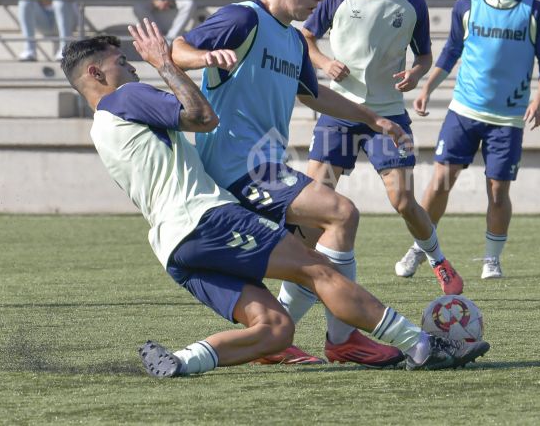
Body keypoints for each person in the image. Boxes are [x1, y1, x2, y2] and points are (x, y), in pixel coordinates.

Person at [59, 21, 490, 377]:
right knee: (317, 268)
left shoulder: (102, 128)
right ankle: (420, 345)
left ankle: (181, 361)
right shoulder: (124, 97)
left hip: (173, 250)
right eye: (121, 62)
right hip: (205, 221)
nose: (132, 67)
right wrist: (165, 63)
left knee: (275, 328)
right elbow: (202, 117)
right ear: (96, 73)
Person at [172, 0, 418, 368]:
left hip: (266, 165)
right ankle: (343, 339)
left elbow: (314, 94)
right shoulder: (243, 18)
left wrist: (374, 120)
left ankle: (276, 341)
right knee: (341, 213)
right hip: (239, 165)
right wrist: (204, 57)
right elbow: (177, 50)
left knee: (312, 246)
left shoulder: (291, 40)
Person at [301, 0, 463, 295]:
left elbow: (424, 55)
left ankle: (438, 261)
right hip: (339, 111)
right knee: (314, 199)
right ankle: (301, 270)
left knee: (403, 200)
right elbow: (305, 36)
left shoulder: (413, 2)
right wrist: (324, 62)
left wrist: (416, 74)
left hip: (388, 115)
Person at [402, 0, 540, 280]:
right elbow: (451, 51)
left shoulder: (533, 9)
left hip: (508, 118)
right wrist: (427, 87)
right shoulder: (467, 5)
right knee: (441, 181)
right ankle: (419, 248)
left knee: (498, 191)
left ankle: (492, 259)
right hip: (464, 112)